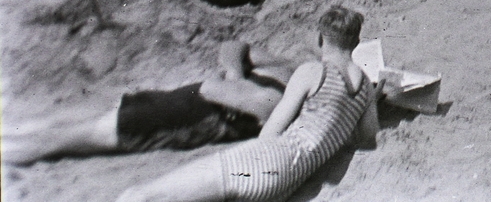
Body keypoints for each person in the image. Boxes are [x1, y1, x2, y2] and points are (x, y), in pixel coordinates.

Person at [114, 5, 379, 202]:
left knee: (138, 196)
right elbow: (367, 139)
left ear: (321, 39)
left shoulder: (312, 71)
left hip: (266, 161)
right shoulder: (366, 87)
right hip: (286, 184)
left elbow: (271, 131)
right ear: (356, 43)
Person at [2, 39, 293, 166]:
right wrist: (235, 74)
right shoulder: (287, 69)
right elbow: (233, 46)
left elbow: (214, 90)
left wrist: (234, 80)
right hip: (171, 101)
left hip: (178, 121)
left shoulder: (287, 101)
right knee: (57, 122)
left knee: (60, 139)